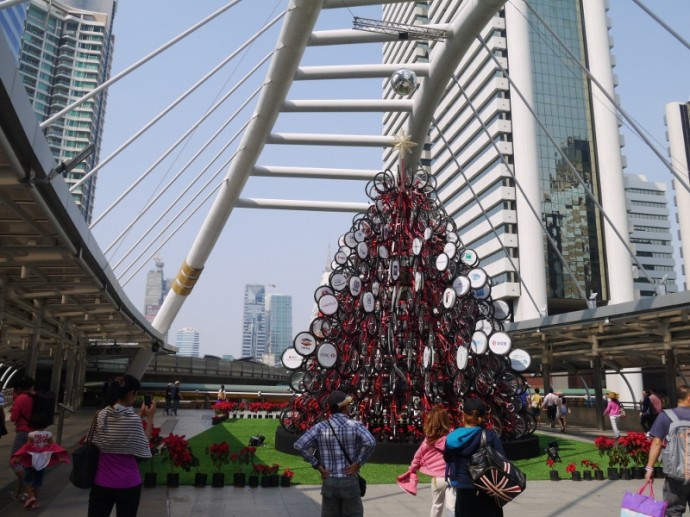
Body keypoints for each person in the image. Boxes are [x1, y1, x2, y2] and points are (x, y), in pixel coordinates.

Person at [294, 391, 376, 517]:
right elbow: (370, 442)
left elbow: (299, 445)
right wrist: (358, 463)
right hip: (349, 480)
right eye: (349, 405)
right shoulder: (354, 425)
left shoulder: (320, 427)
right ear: (345, 406)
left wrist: (317, 465)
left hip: (329, 481)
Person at [88, 374, 155, 517]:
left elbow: (101, 436)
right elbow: (143, 447)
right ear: (131, 393)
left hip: (101, 482)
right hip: (128, 484)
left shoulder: (100, 415)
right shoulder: (133, 420)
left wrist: (140, 415)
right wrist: (149, 417)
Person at [444, 398, 505, 516]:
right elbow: (502, 460)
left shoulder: (453, 437)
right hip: (488, 487)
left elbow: (447, 458)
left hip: (464, 489)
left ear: (463, 415)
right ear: (483, 416)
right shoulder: (490, 435)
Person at [398, 405, 455, 517]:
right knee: (451, 506)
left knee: (436, 505)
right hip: (451, 476)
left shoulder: (429, 440)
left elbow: (418, 456)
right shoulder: (451, 438)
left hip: (437, 479)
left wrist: (412, 469)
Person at [644, 384, 690, 516]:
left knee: (673, 511)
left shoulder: (666, 416)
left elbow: (657, 442)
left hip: (674, 474)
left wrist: (650, 469)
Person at [11, 416, 70, 510]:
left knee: (27, 480)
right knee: (38, 481)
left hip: (31, 459)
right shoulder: (48, 434)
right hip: (42, 460)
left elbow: (27, 447)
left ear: (33, 424)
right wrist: (59, 457)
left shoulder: (32, 434)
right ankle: (35, 502)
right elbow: (53, 447)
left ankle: (31, 496)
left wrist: (19, 457)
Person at [8, 375, 36, 502]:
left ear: (19, 388)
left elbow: (13, 417)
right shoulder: (36, 397)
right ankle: (18, 493)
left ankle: (29, 490)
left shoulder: (21, 398)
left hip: (24, 433)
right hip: (36, 432)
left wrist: (15, 406)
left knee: (14, 461)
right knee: (26, 462)